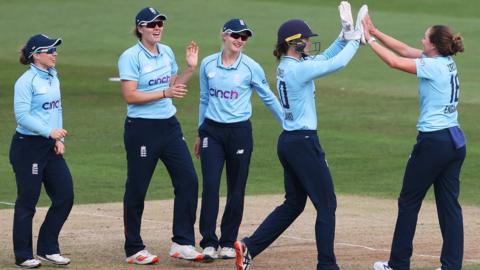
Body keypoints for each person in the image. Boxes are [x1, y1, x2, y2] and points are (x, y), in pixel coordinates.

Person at [234, 2, 364, 269]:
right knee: (327, 205)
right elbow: (337, 64)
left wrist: (344, 35)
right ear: (293, 42)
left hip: (290, 142)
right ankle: (327, 265)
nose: (309, 42)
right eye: (305, 39)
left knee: (294, 204)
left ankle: (249, 246)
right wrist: (356, 39)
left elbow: (328, 55)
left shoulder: (290, 65)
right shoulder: (299, 69)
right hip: (304, 143)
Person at [361, 14, 467, 270]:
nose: (421, 40)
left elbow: (396, 62)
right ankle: (451, 266)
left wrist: (367, 41)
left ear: (433, 45)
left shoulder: (432, 66)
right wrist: (375, 31)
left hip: (434, 142)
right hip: (455, 141)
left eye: (424, 37)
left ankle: (398, 265)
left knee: (409, 201)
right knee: (449, 206)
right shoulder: (445, 61)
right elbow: (405, 50)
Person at [117, 7, 203, 265]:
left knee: (188, 180)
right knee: (137, 187)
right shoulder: (130, 56)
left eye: (160, 24)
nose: (157, 28)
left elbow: (173, 85)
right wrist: (164, 94)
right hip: (142, 128)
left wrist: (189, 69)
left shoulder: (166, 52)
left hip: (169, 126)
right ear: (140, 28)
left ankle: (182, 242)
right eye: (152, 24)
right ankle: (134, 248)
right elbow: (130, 95)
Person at [194, 18, 283, 260]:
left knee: (236, 188)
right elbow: (204, 99)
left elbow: (268, 97)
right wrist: (200, 131)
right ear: (224, 35)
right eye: (236, 35)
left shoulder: (251, 67)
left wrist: (288, 123)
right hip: (212, 131)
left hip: (239, 133)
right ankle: (209, 242)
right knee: (211, 186)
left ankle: (227, 241)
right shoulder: (207, 64)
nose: (239, 41)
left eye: (244, 37)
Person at [10, 34, 73, 268]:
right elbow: (23, 117)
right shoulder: (26, 82)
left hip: (49, 145)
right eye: (50, 50)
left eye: (55, 50)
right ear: (36, 55)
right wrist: (49, 132)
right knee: (28, 202)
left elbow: (56, 108)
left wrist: (57, 138)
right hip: (27, 147)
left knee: (65, 196)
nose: (55, 54)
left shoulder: (53, 76)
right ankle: (23, 255)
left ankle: (47, 248)